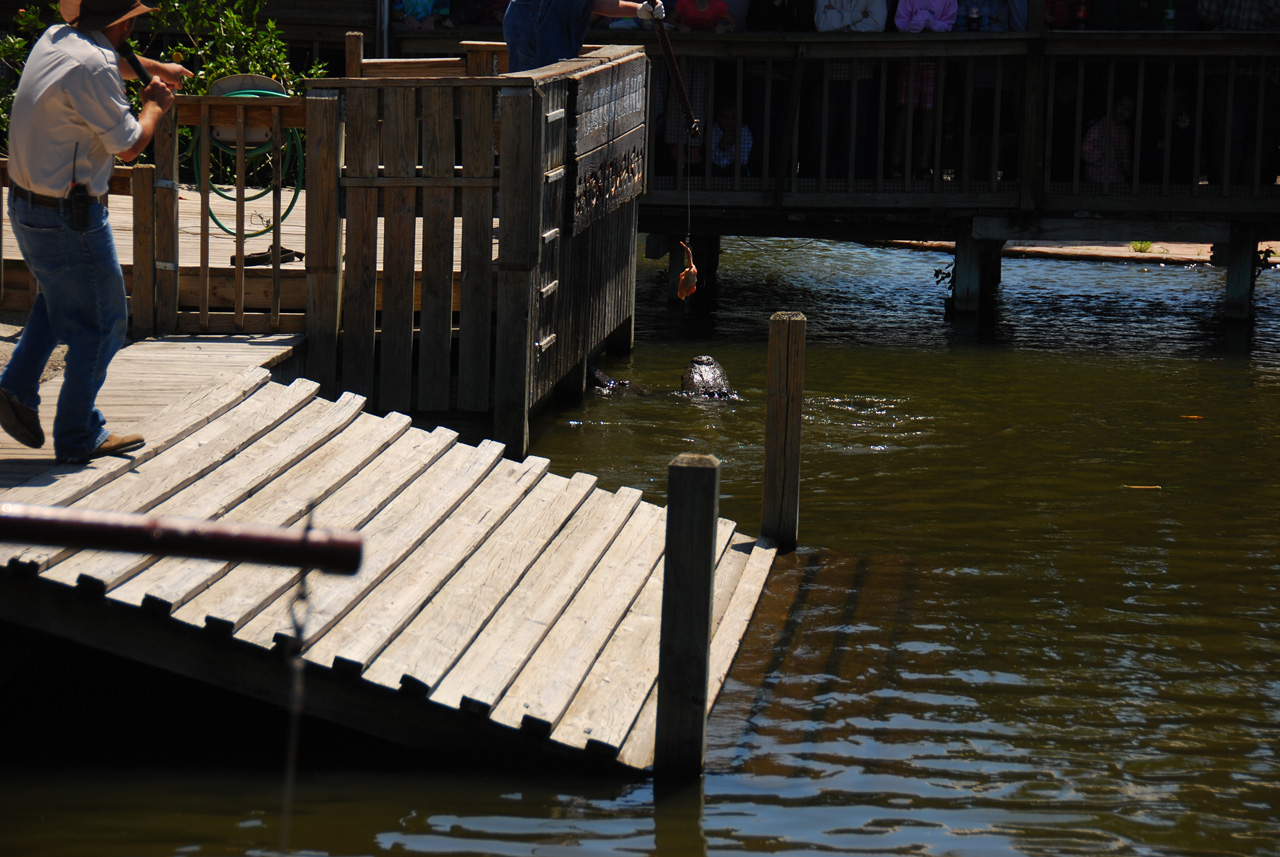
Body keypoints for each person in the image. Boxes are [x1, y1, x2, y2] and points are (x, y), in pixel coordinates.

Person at [1, 0, 190, 464]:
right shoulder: (96, 64)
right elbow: (128, 146)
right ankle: (78, 433)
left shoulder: (54, 38)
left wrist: (156, 67)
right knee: (103, 324)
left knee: (59, 298)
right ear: (123, 21)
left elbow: (104, 59)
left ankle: (16, 388)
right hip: (70, 216)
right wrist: (154, 105)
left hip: (27, 203)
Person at [504, 0, 666, 73]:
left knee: (555, 102)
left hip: (558, 38)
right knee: (530, 97)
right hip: (533, 31)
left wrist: (639, 10)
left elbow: (595, 2)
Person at [1081, 95, 1135, 182]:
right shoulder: (1100, 126)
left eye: (1128, 108)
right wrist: (1111, 154)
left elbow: (1125, 153)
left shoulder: (1126, 132)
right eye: (1121, 105)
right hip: (1096, 181)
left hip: (1116, 181)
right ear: (1114, 104)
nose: (1123, 110)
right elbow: (1086, 150)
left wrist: (1125, 164)